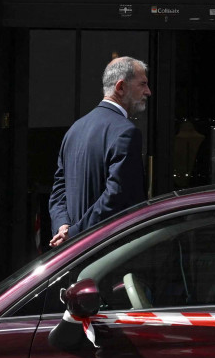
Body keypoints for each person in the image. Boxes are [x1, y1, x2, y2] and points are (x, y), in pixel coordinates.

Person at [47, 56, 150, 248]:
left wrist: (63, 227)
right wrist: (75, 233)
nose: (148, 91)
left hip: (73, 251)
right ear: (121, 87)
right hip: (107, 250)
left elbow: (58, 192)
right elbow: (118, 197)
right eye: (142, 84)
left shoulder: (75, 129)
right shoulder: (126, 132)